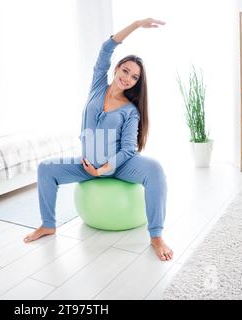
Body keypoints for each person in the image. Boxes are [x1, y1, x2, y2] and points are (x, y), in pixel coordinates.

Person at [23, 18, 174, 261]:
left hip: (120, 166)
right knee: (45, 169)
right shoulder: (97, 87)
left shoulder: (130, 110)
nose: (128, 78)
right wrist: (136, 25)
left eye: (134, 77)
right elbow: (106, 48)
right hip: (87, 165)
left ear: (136, 83)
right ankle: (48, 225)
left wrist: (103, 169)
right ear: (116, 69)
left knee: (155, 169)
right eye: (125, 71)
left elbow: (127, 149)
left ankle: (156, 236)